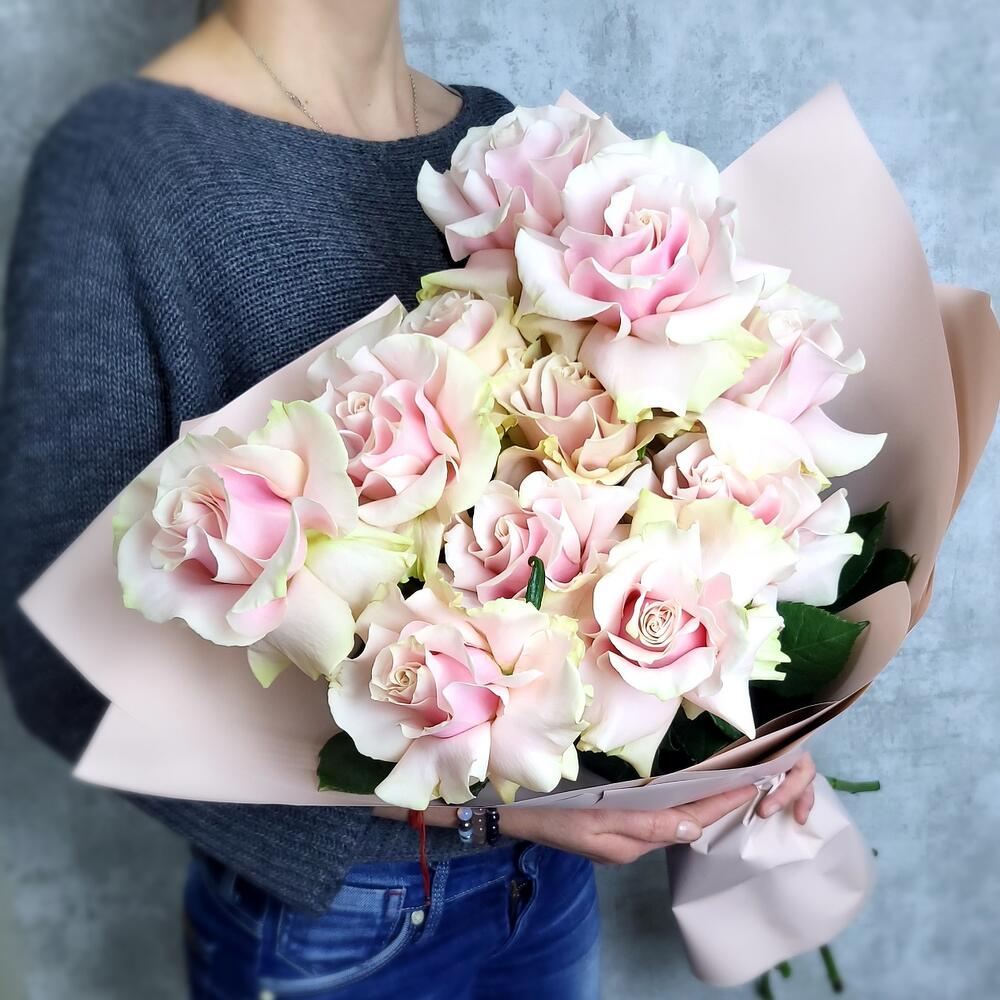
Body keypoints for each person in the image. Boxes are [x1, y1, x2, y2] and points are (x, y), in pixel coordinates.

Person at [0, 2, 817, 997]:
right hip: (338, 921)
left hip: (548, 884)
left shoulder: (498, 144)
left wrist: (730, 716)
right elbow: (57, 658)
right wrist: (472, 805)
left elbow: (610, 486)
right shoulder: (122, 160)